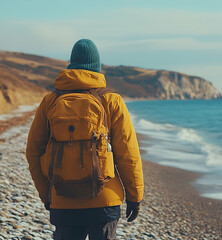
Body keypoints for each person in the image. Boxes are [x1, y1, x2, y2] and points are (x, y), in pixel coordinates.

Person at [26, 39, 144, 240]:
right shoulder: (111, 100)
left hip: (62, 199)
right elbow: (128, 154)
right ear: (97, 68)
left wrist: (47, 194)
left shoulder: (50, 101)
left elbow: (33, 151)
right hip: (104, 200)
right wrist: (135, 197)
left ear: (71, 65)